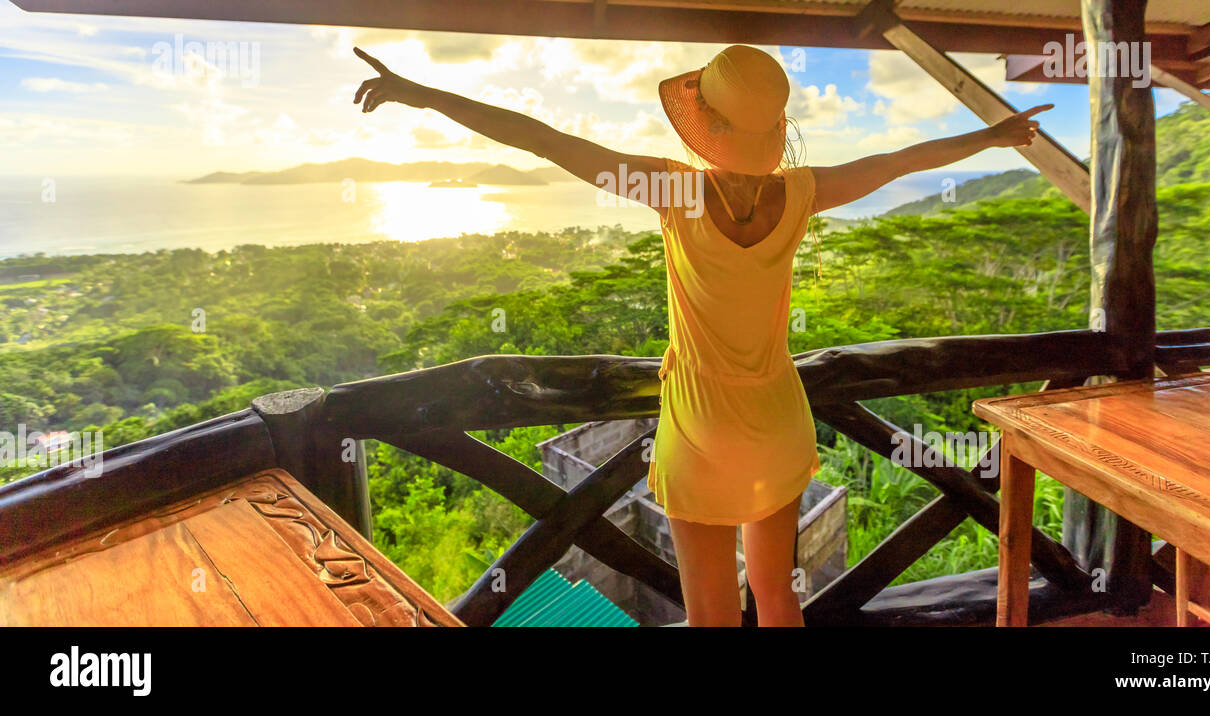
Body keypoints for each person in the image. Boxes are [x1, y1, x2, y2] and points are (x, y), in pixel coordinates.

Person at [352, 43, 1050, 627]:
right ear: (770, 129)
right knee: (779, 595)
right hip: (777, 416)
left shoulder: (676, 190)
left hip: (701, 426)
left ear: (709, 125)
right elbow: (901, 161)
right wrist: (992, 136)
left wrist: (423, 94)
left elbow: (544, 139)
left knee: (711, 612)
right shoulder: (803, 192)